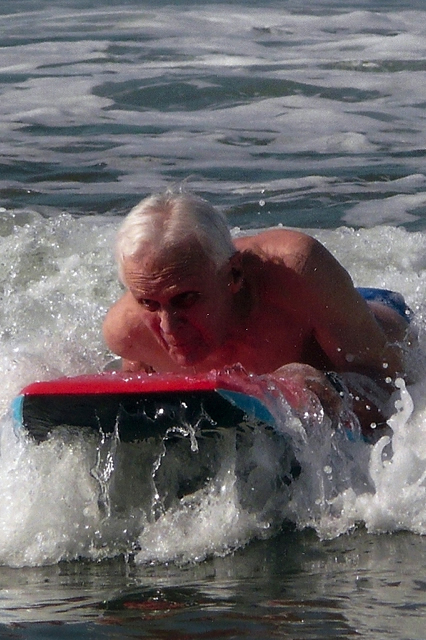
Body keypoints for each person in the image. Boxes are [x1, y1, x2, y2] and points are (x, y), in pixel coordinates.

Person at [103, 192, 413, 439]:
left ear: (233, 275)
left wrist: (331, 389)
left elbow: (396, 389)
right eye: (149, 303)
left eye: (185, 299)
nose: (168, 326)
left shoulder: (297, 270)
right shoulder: (128, 334)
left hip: (380, 314)